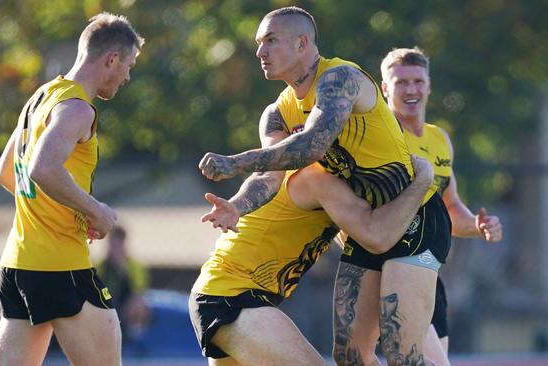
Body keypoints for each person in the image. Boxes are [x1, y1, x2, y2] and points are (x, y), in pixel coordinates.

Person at [198, 6, 451, 365]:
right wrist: (237, 205)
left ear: (303, 43)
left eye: (270, 41)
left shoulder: (339, 78)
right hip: (368, 224)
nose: (260, 52)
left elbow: (312, 145)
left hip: (415, 212)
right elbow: (270, 174)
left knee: (401, 352)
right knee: (349, 356)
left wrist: (236, 161)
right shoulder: (276, 112)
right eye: (258, 43)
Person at [0, 12, 143, 366]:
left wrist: (64, 208)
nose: (127, 76)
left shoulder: (40, 97)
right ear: (111, 59)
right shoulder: (78, 108)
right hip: (62, 268)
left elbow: (6, 173)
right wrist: (95, 210)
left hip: (17, 265)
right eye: (129, 65)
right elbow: (42, 168)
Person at [191, 155, 434, 366]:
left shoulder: (314, 174)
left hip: (221, 294)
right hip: (232, 297)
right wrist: (422, 181)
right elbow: (377, 237)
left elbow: (358, 238)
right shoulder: (317, 176)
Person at [380, 47, 503, 365]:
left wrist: (477, 225)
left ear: (429, 85)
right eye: (401, 82)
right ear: (384, 89)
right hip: (394, 273)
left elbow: (450, 208)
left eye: (418, 81)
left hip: (430, 276)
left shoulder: (439, 139)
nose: (411, 90)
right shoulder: (379, 138)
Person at [95, 225, 150, 355]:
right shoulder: (100, 266)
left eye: (119, 243)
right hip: (106, 304)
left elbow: (138, 292)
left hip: (125, 304)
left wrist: (122, 269)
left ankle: (134, 335)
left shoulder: (135, 267)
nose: (116, 248)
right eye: (113, 244)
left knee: (138, 305)